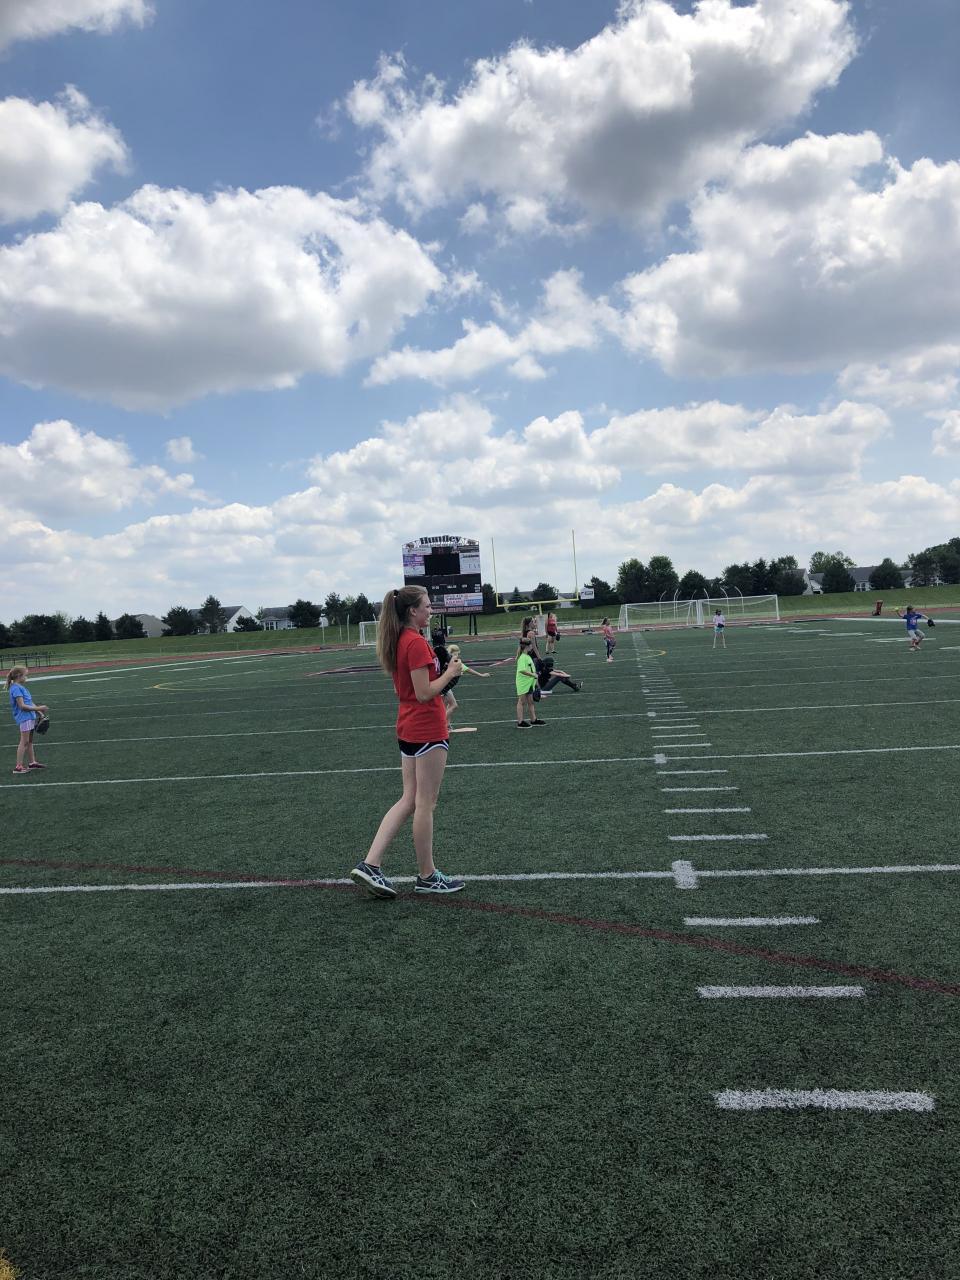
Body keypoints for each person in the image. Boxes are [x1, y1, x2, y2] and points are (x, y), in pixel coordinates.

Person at [349, 587, 466, 899]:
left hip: (409, 726)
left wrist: (442, 672)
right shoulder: (414, 642)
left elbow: (415, 687)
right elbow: (425, 693)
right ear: (412, 611)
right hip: (426, 728)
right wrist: (450, 672)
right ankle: (427, 875)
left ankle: (370, 864)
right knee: (425, 803)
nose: (431, 610)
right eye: (427, 606)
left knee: (410, 799)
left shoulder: (401, 639)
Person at [7, 666, 49, 776]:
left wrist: (40, 713)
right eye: (25, 675)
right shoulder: (16, 688)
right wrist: (39, 708)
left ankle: (32, 762)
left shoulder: (21, 687)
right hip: (24, 717)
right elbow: (22, 706)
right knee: (24, 742)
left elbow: (29, 702)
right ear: (18, 676)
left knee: (29, 741)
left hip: (29, 717)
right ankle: (18, 767)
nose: (26, 677)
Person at [516, 637, 545, 728]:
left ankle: (533, 720)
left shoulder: (527, 656)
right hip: (523, 683)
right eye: (531, 645)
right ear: (527, 646)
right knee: (521, 701)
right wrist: (533, 675)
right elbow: (522, 670)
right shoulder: (522, 657)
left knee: (531, 702)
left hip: (529, 683)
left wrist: (535, 680)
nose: (532, 646)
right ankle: (520, 722)